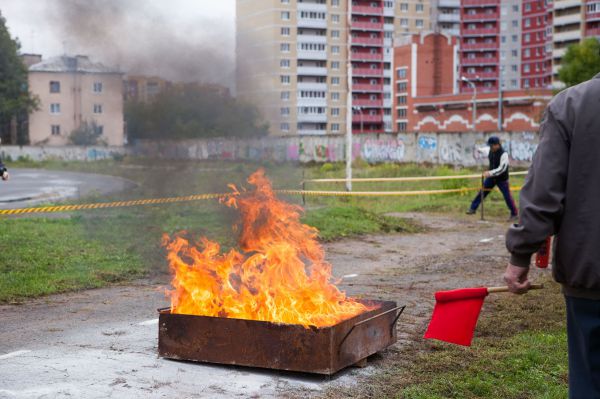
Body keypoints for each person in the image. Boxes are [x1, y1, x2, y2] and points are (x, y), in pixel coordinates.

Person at [504, 73, 600, 398]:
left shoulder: (573, 104)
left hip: (592, 280)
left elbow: (544, 191)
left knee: (590, 382)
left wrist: (520, 256)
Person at [466, 136, 518, 221]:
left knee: (507, 196)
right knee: (482, 192)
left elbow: (502, 169)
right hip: (491, 178)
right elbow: (484, 150)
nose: (490, 147)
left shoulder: (504, 154)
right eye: (489, 146)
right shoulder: (490, 150)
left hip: (502, 179)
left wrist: (490, 173)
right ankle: (472, 208)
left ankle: (514, 214)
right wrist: (478, 149)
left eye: (491, 146)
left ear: (497, 145)